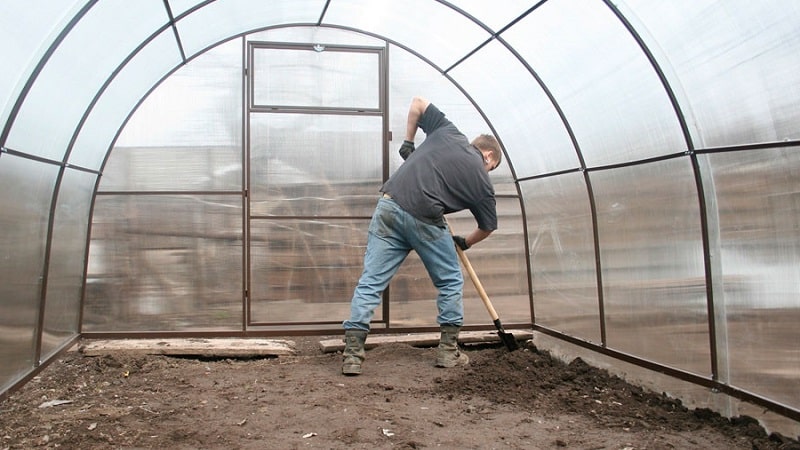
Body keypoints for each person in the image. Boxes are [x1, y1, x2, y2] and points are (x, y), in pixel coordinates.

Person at [341, 96, 502, 375]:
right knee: (450, 280)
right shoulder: (483, 184)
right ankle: (448, 352)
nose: (488, 172)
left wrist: (408, 142)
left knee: (371, 281)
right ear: (488, 156)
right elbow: (487, 227)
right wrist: (465, 242)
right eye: (492, 167)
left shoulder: (448, 132)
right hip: (425, 219)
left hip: (389, 206)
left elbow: (417, 103)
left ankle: (353, 355)